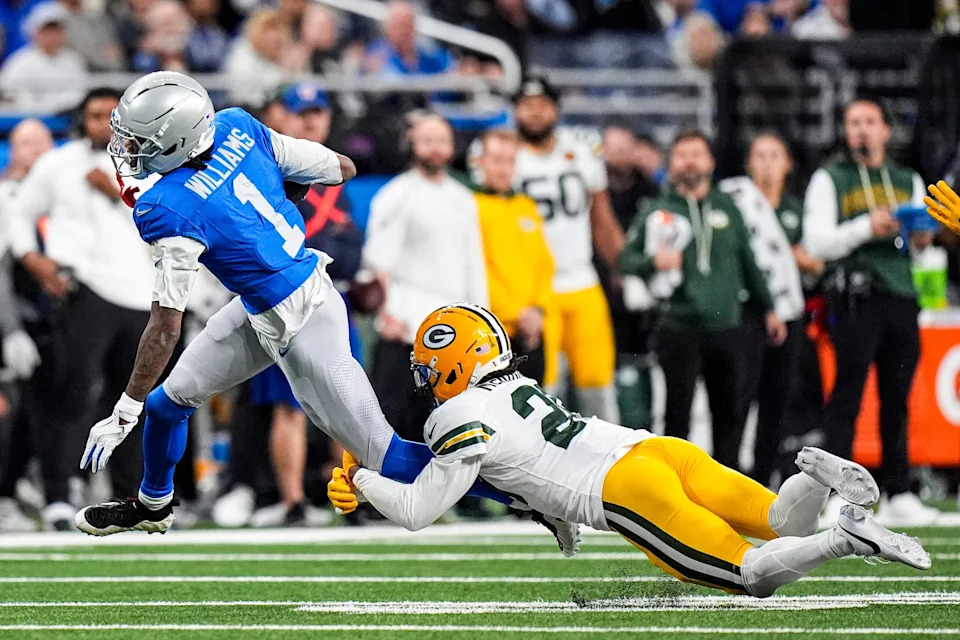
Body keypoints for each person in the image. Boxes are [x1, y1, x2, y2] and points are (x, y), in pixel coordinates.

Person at [72, 71, 506, 535]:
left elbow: (165, 325)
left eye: (138, 140)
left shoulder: (165, 207)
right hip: (262, 305)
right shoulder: (238, 126)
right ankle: (153, 507)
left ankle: (523, 494)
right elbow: (342, 168)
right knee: (167, 404)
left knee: (387, 454)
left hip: (309, 317)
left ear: (176, 139)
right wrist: (270, 193)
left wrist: (124, 407)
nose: (128, 149)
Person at [327, 303, 931, 597]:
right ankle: (818, 480)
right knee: (777, 519)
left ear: (455, 364)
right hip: (658, 451)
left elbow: (416, 511)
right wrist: (545, 513)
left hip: (624, 489)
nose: (427, 380)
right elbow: (515, 474)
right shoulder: (519, 387)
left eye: (431, 368)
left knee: (751, 576)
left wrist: (360, 482)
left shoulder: (457, 415)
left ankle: (846, 537)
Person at [6, 89, 158, 530]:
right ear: (82, 120)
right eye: (95, 116)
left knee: (131, 402)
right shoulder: (60, 163)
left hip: (142, 294)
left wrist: (117, 191)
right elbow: (19, 213)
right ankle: (59, 490)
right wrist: (31, 257)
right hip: (83, 289)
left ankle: (129, 497)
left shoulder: (152, 165)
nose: (103, 124)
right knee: (68, 395)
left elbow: (168, 219)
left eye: (112, 116)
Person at [803, 98, 936, 526]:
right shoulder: (830, 177)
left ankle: (899, 489)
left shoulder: (907, 177)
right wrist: (865, 227)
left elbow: (919, 245)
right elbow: (816, 243)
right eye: (853, 122)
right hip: (854, 296)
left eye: (868, 122)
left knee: (898, 398)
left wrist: (920, 238)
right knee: (847, 398)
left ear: (885, 130)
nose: (860, 130)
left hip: (900, 294)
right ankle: (838, 496)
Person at [619, 130, 786, 470]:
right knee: (677, 415)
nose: (690, 161)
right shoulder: (658, 208)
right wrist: (653, 262)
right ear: (672, 163)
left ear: (710, 161)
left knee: (730, 412)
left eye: (697, 153)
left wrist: (769, 308)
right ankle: (674, 488)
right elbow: (625, 259)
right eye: (682, 154)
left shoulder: (728, 206)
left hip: (727, 324)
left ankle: (727, 489)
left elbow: (748, 260)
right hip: (677, 324)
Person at [363, 111, 488, 441]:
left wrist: (484, 320)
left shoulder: (464, 198)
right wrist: (385, 315)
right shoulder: (396, 195)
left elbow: (473, 262)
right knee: (393, 423)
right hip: (406, 326)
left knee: (452, 426)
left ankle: (459, 495)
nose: (435, 148)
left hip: (455, 331)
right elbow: (377, 262)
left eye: (442, 141)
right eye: (428, 140)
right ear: (412, 143)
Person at [512, 75, 624, 423]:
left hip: (582, 280)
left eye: (542, 105)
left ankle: (607, 466)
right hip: (533, 290)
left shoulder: (582, 148)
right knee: (542, 388)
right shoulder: (503, 155)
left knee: (597, 382)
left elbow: (600, 217)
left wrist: (623, 267)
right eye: (527, 105)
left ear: (555, 109)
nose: (534, 113)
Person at [720, 133, 806, 488]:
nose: (767, 163)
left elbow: (813, 256)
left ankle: (764, 476)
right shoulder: (735, 203)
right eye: (760, 155)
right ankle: (728, 477)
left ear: (787, 163)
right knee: (737, 398)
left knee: (778, 399)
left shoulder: (795, 210)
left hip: (788, 313)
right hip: (746, 312)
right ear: (749, 164)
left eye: (775, 155)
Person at [470, 129, 556, 386]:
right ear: (479, 161)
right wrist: (516, 313)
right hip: (492, 333)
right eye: (496, 160)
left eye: (510, 161)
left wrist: (538, 310)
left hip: (533, 328)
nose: (504, 169)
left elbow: (545, 263)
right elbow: (477, 268)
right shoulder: (470, 206)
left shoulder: (525, 206)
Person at [0, 118, 50, 532]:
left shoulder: (66, 190)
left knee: (55, 409)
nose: (33, 151)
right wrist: (10, 327)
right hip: (13, 314)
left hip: (59, 316)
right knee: (9, 408)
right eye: (24, 143)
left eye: (40, 143)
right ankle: (4, 491)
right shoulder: (5, 196)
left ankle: (33, 483)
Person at [0, 2, 88, 113]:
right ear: (35, 32)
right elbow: (12, 98)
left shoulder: (74, 61)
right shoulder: (18, 63)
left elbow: (80, 94)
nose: (52, 36)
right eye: (47, 30)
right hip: (31, 122)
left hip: (69, 122)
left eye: (56, 30)